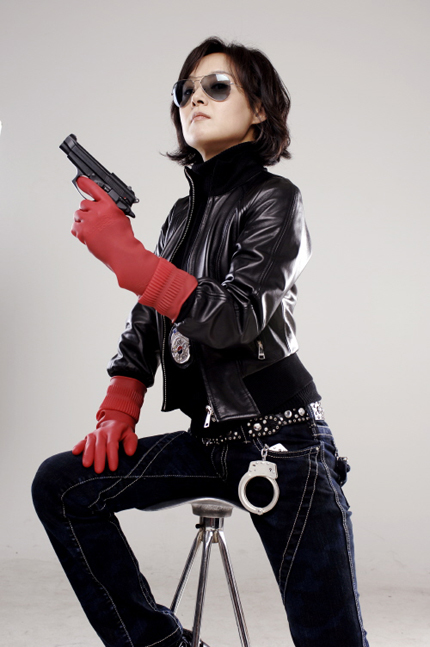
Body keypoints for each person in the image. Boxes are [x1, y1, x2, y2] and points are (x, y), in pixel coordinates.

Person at [32, 37, 369, 647]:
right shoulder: (179, 217)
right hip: (209, 441)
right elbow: (149, 320)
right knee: (62, 486)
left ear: (259, 109)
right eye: (185, 90)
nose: (195, 99)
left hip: (282, 444)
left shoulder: (276, 200)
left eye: (217, 86)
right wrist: (118, 407)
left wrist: (130, 259)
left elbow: (236, 319)